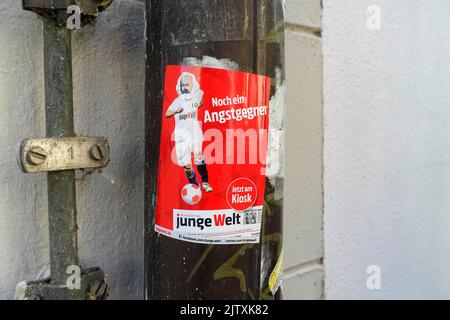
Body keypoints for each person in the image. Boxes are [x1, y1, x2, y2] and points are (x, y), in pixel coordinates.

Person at [165, 72, 213, 193]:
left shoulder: (197, 95)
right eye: (182, 84)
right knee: (186, 164)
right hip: (181, 135)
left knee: (198, 155)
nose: (184, 87)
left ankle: (205, 183)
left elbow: (200, 99)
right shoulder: (178, 100)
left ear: (193, 85)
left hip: (194, 131)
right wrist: (176, 111)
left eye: (187, 84)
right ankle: (194, 186)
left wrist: (198, 103)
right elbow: (167, 113)